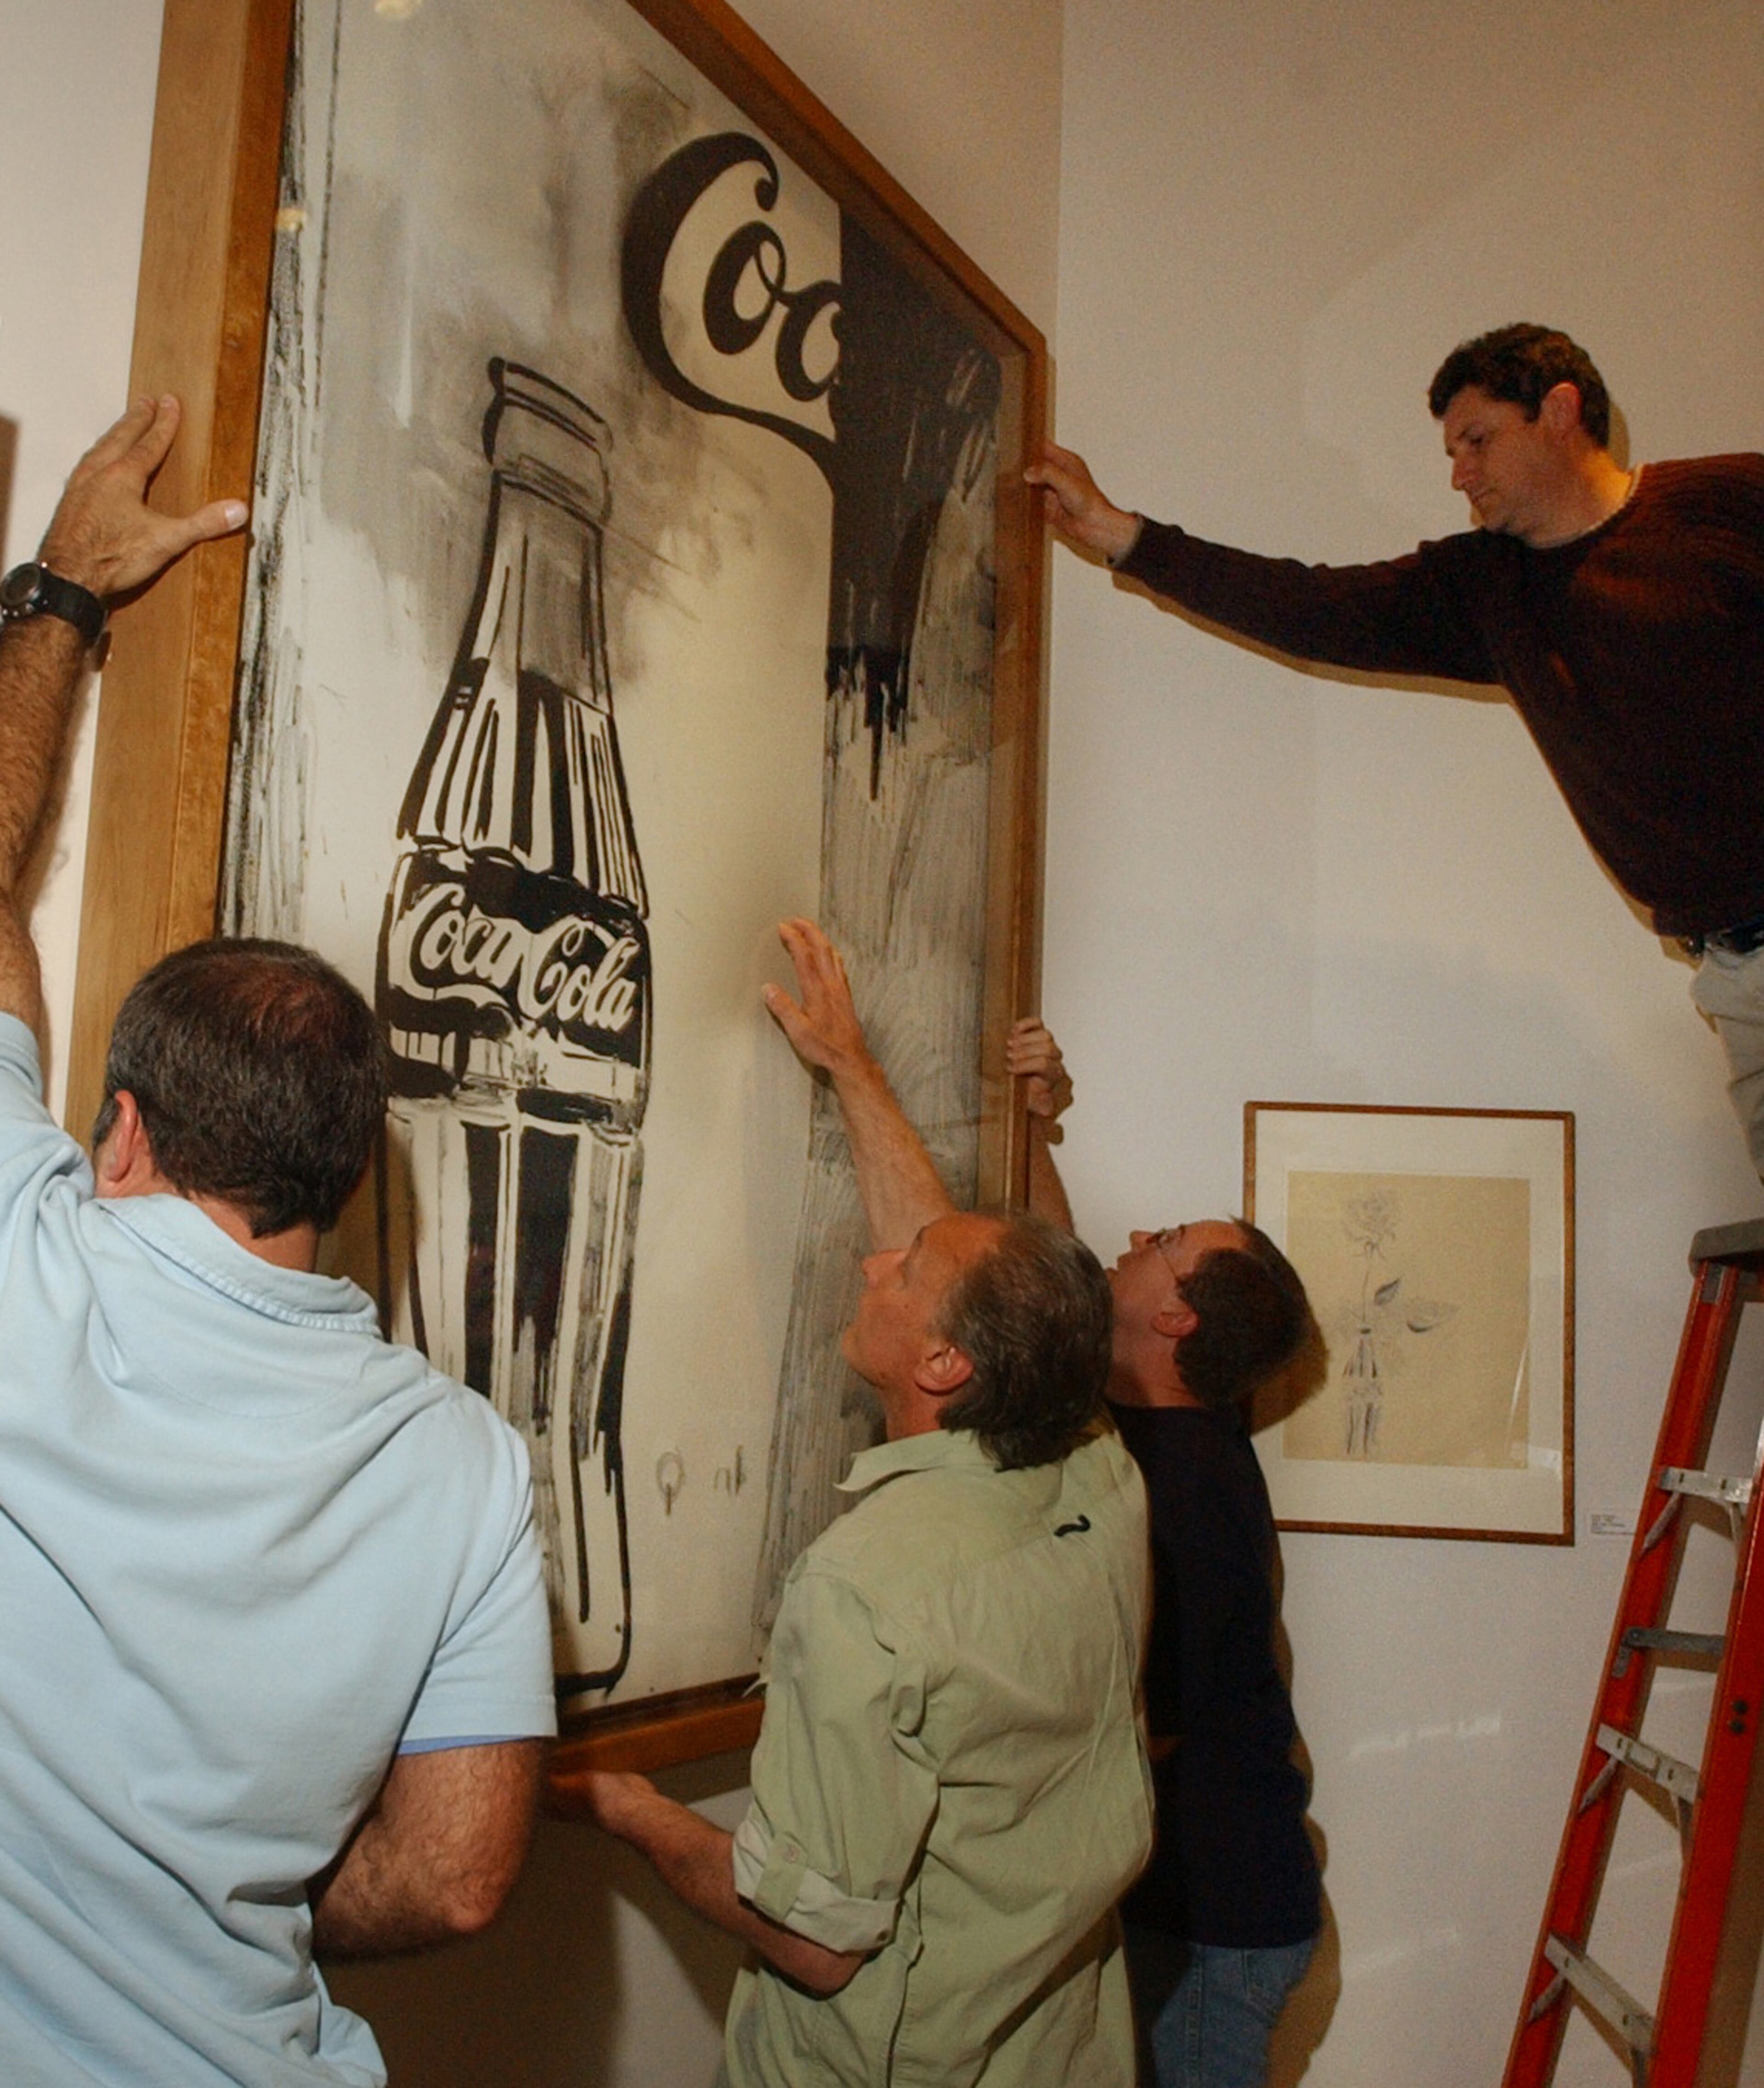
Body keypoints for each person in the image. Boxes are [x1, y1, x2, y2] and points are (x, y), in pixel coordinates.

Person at [0, 400, 557, 2086]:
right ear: (343, 1176)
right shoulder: (472, 1464)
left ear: (125, 1131)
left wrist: (62, 601)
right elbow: (461, 1878)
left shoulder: (35, 1276)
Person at [571, 918, 1154, 2088]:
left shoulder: (863, 1590)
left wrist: (624, 1802)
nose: (875, 1260)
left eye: (907, 1269)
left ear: (946, 1366)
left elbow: (814, 1942)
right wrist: (850, 1065)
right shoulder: (1101, 1469)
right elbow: (966, 1274)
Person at [1026, 322, 1764, 1174]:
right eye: (1453, 451)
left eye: (1478, 440)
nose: (1460, 474)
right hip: (1730, 975)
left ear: (1560, 412)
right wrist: (1123, 534)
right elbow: (1312, 607)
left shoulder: (1728, 504)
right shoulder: (1486, 589)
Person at [1009, 1020, 1322, 2088]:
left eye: (1164, 1242)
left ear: (1177, 1315)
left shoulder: (1183, 1495)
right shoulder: (1175, 1414)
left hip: (1216, 1931)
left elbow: (1150, 1733)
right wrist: (1033, 1123)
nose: (1136, 1234)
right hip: (1209, 1915)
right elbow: (1068, 1279)